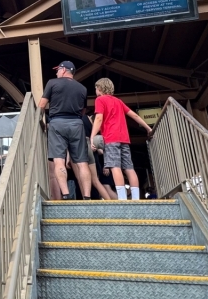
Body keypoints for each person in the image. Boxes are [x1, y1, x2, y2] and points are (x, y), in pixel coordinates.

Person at [91, 78, 153, 200]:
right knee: (129, 168)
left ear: (100, 88)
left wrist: (92, 136)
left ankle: (122, 199)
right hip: (124, 139)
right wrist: (148, 128)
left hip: (110, 139)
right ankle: (136, 199)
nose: (96, 91)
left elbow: (98, 118)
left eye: (96, 88)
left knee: (115, 167)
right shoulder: (118, 101)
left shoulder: (100, 100)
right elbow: (134, 115)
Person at [38, 61, 91, 200]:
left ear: (63, 70)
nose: (56, 72)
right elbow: (83, 111)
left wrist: (40, 121)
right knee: (82, 162)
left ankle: (65, 194)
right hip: (77, 124)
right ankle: (87, 196)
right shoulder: (82, 88)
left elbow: (42, 105)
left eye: (57, 70)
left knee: (59, 161)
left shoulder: (52, 83)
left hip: (57, 123)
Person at [81, 113, 115, 200]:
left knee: (97, 183)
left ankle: (112, 204)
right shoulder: (96, 133)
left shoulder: (83, 121)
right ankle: (112, 203)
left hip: (93, 158)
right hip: (96, 159)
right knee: (97, 182)